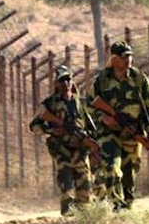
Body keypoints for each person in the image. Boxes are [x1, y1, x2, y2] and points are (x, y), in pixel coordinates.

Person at [89, 41, 149, 211]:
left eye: (129, 56)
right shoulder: (102, 80)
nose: (128, 60)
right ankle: (117, 206)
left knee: (129, 176)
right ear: (114, 59)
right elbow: (89, 105)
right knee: (112, 168)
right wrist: (103, 117)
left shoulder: (139, 79)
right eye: (123, 57)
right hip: (109, 133)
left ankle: (126, 207)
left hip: (132, 131)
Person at [29, 64, 100, 215]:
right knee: (66, 183)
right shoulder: (50, 104)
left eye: (68, 79)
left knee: (85, 188)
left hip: (80, 150)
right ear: (56, 84)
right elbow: (34, 126)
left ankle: (83, 216)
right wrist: (53, 130)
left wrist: (90, 141)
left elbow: (90, 125)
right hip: (62, 150)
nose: (66, 83)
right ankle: (67, 215)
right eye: (62, 80)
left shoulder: (79, 102)